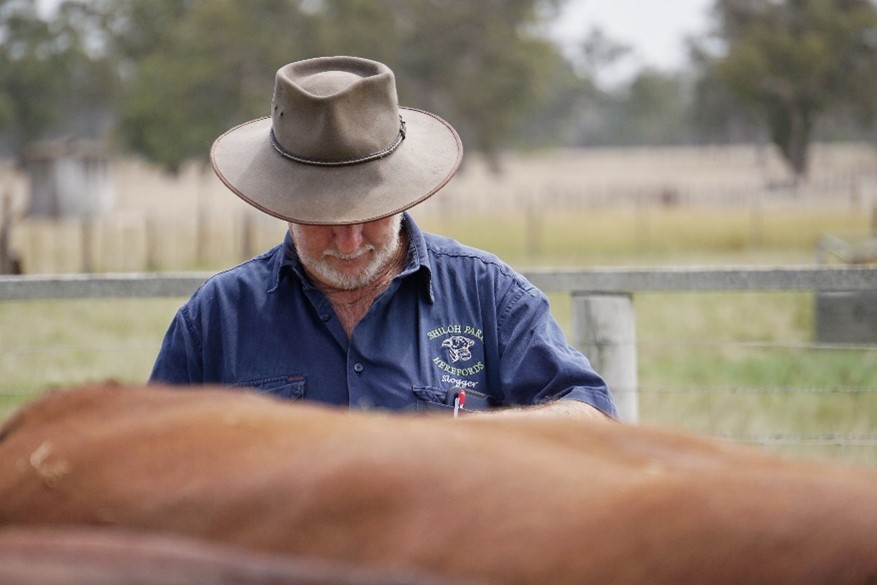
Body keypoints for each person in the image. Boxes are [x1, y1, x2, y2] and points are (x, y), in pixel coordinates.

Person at [150, 56, 617, 420]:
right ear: (283, 204)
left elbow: (590, 419)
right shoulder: (216, 317)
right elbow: (152, 455)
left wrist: (458, 438)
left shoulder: (488, 295)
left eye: (370, 213)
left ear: (402, 192)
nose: (349, 241)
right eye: (321, 217)